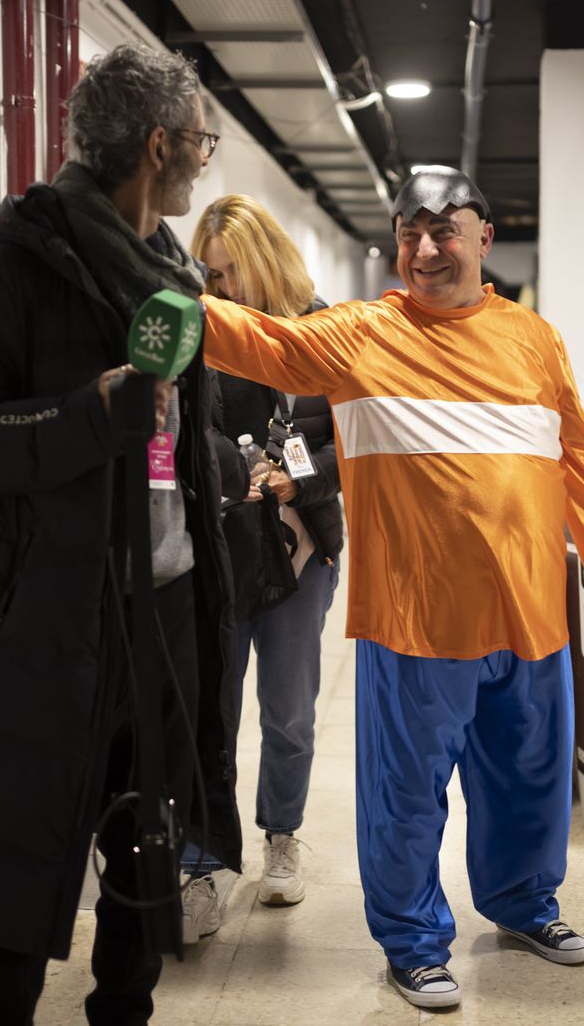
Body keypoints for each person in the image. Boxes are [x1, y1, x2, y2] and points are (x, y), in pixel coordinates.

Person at [198, 166, 584, 1010]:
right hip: (415, 615)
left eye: (447, 229)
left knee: (529, 774)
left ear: (485, 237)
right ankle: (411, 940)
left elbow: (577, 451)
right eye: (411, 230)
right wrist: (162, 300)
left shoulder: (535, 338)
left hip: (528, 607)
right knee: (405, 791)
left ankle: (524, 904)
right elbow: (258, 341)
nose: (428, 247)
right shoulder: (360, 331)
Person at [0, 43, 241, 1026]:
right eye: (200, 144)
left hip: (160, 605)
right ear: (160, 144)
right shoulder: (21, 262)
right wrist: (86, 412)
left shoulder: (170, 271)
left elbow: (173, 439)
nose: (202, 162)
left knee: (146, 845)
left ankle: (121, 1012)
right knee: (14, 875)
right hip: (47, 625)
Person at [177, 195, 345, 941]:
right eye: (210, 275)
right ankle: (202, 862)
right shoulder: (203, 330)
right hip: (218, 550)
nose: (223, 289)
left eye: (232, 271)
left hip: (300, 552)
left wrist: (295, 480)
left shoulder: (324, 328)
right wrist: (224, 468)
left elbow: (363, 447)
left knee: (289, 714)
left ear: (266, 257)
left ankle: (281, 835)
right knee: (210, 712)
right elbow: (178, 432)